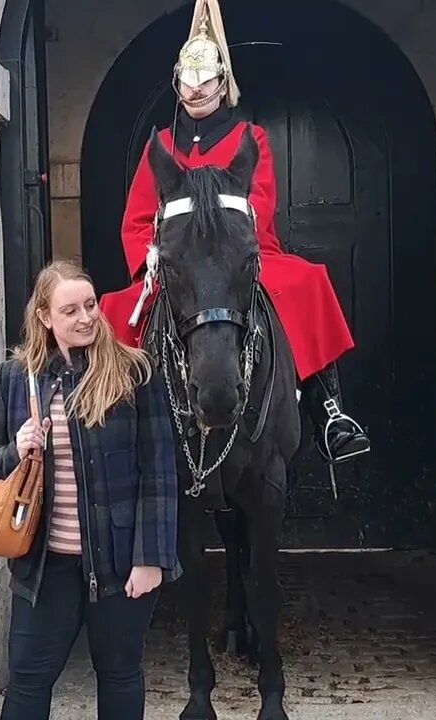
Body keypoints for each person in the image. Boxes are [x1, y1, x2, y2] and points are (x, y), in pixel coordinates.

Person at [97, 0, 369, 464]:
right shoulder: (161, 147)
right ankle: (116, 424)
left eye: (206, 84)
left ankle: (329, 410)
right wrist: (153, 259)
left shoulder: (249, 137)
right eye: (190, 84)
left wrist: (225, 239)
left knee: (307, 282)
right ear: (178, 85)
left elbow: (259, 200)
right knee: (114, 312)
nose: (197, 92)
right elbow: (137, 217)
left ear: (222, 85)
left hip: (240, 252)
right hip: (177, 261)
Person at [0, 260, 180, 720]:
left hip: (120, 560)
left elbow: (160, 474)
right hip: (45, 567)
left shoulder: (135, 373)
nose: (85, 317)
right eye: (70, 310)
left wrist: (152, 558)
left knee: (120, 674)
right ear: (45, 317)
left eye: (90, 305)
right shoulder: (16, 377)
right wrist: (16, 448)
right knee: (27, 680)